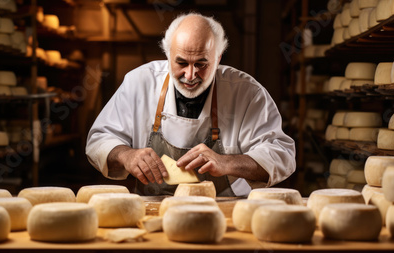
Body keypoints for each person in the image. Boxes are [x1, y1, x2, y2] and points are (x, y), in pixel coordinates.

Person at [86, 12, 296, 197]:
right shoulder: (139, 83)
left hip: (227, 211)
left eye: (202, 64)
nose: (190, 75)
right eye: (181, 63)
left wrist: (227, 162)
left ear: (218, 57)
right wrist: (126, 155)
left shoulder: (247, 92)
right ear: (168, 55)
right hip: (153, 210)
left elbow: (281, 155)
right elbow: (98, 140)